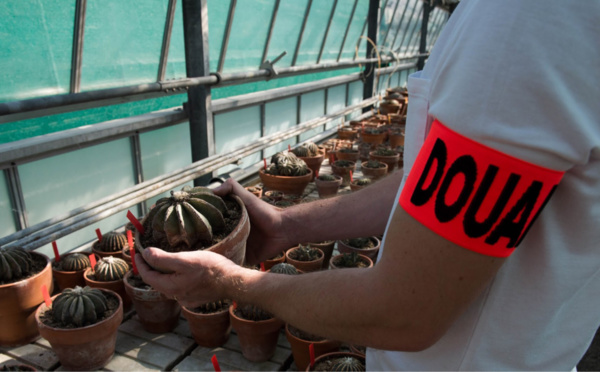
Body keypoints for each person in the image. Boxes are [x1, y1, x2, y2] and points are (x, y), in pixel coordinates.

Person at [136, 0, 600, 370]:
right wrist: (284, 225)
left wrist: (232, 282)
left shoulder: (528, 21)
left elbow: (404, 311)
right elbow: (433, 183)